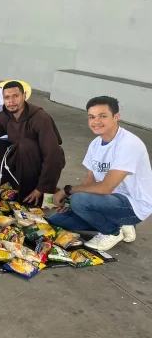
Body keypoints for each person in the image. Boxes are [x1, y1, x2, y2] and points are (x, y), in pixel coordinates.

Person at [49, 96, 152, 251]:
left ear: (116, 117)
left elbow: (106, 188)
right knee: (58, 220)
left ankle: (112, 232)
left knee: (79, 201)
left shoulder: (128, 144)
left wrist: (68, 191)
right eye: (91, 117)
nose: (96, 122)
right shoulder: (96, 144)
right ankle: (120, 222)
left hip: (133, 204)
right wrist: (69, 202)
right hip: (108, 201)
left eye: (102, 116)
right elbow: (90, 180)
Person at [0, 81, 65, 205]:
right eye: (7, 97)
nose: (11, 101)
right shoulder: (7, 115)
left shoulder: (40, 118)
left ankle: (31, 194)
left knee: (25, 145)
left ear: (24, 96)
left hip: (40, 164)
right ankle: (1, 190)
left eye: (15, 96)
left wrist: (41, 188)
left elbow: (52, 155)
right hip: (20, 159)